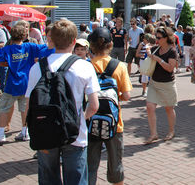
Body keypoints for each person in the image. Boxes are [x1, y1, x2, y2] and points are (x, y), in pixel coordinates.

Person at [25, 20, 100, 184]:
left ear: (50, 40)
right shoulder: (84, 67)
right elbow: (94, 106)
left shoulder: (37, 68)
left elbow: (29, 105)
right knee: (76, 178)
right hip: (75, 132)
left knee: (48, 177)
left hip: (45, 130)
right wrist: (80, 118)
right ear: (74, 41)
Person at [87, 27, 132, 185]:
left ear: (91, 46)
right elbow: (126, 95)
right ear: (111, 44)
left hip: (89, 122)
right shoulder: (119, 66)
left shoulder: (86, 66)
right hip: (114, 123)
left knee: (89, 167)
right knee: (116, 167)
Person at [0, 24, 54, 144]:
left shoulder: (7, 49)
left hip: (11, 84)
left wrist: (6, 63)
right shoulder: (30, 46)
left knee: (4, 108)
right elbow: (47, 49)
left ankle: (1, 134)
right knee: (25, 109)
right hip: (26, 83)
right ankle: (25, 132)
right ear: (24, 36)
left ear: (11, 36)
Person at [144, 27, 178, 144]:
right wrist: (148, 51)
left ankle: (171, 131)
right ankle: (154, 134)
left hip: (167, 84)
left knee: (169, 108)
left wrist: (158, 59)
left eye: (159, 38)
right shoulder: (155, 48)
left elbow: (170, 68)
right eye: (156, 37)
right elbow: (146, 50)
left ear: (166, 38)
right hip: (154, 83)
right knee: (149, 107)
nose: (157, 40)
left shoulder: (172, 51)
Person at [137, 33, 157, 97]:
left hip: (151, 62)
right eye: (146, 39)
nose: (147, 41)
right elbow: (137, 54)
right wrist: (142, 55)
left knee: (151, 77)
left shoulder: (152, 46)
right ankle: (144, 90)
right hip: (144, 61)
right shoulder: (143, 45)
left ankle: (152, 92)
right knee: (144, 77)